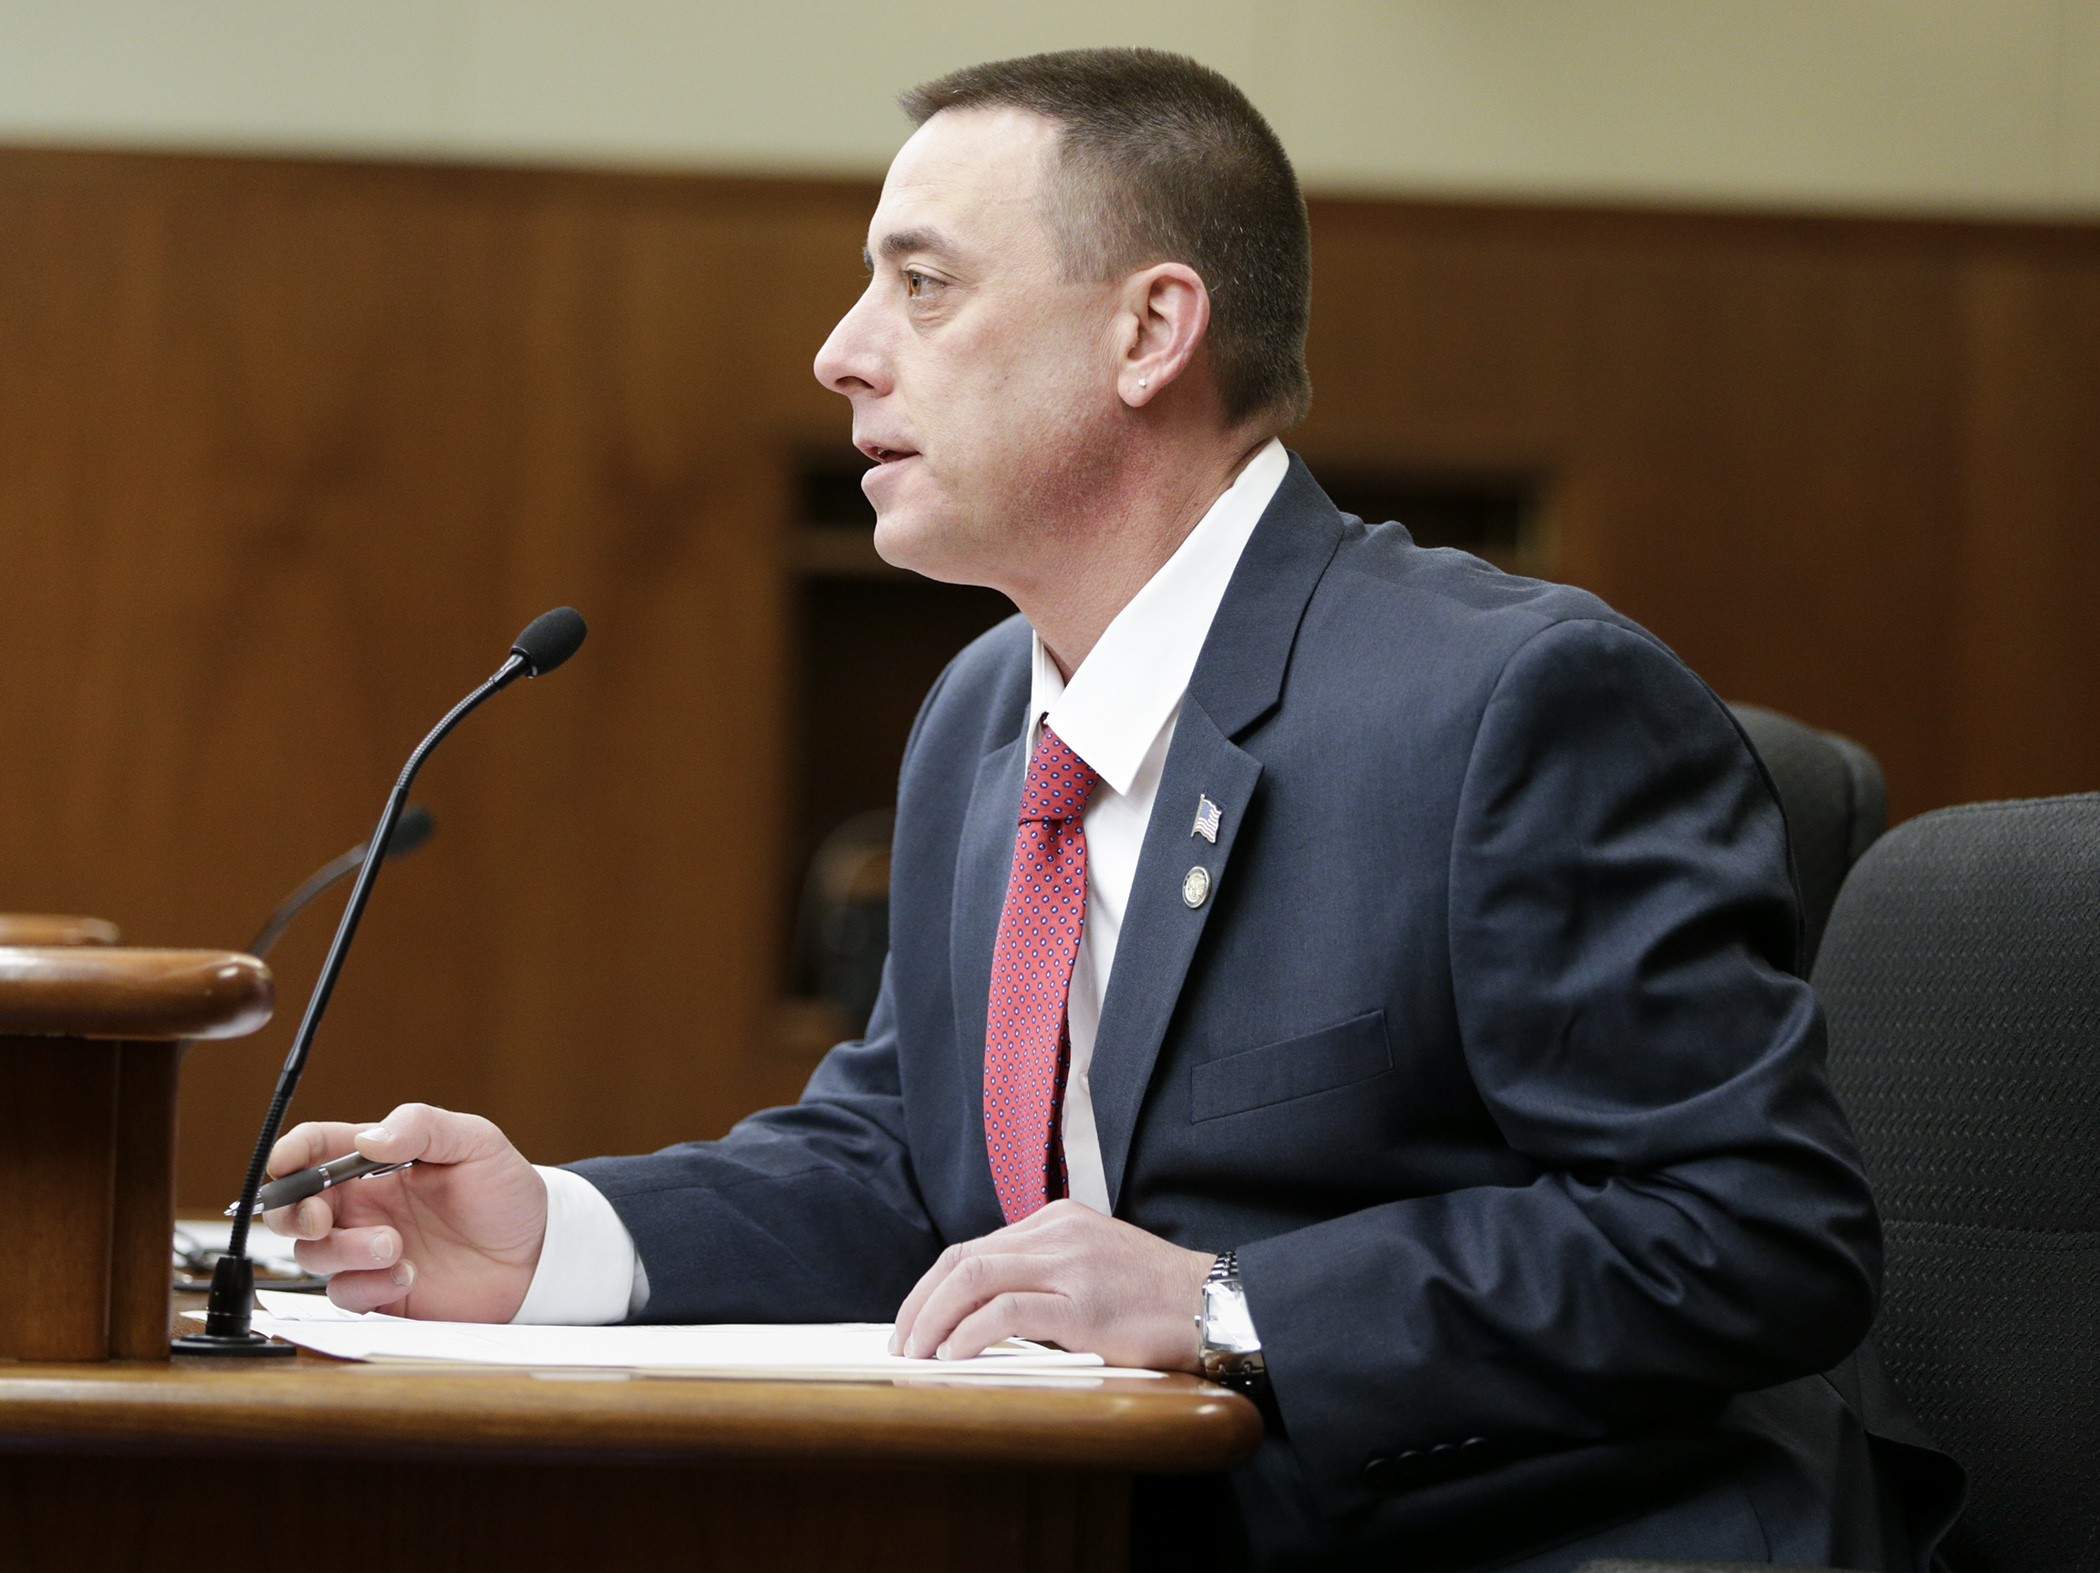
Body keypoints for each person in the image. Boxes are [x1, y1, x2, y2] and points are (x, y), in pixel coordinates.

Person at [267, 49, 1955, 1569]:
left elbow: (1755, 1231)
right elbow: (908, 1165)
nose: (842, 351)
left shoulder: (1511, 703)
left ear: (1149, 331)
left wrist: (1229, 1304)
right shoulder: (985, 710)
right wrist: (557, 1233)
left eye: (921, 288)